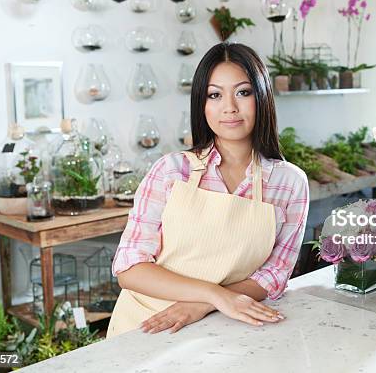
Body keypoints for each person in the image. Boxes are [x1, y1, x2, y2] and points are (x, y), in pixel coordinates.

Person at [107, 42, 310, 337]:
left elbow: (275, 274)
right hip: (145, 327)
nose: (229, 107)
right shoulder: (171, 171)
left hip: (226, 329)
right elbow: (129, 267)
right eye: (214, 95)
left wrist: (202, 305)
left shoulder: (289, 183)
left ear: (262, 96)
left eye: (243, 92)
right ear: (201, 105)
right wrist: (214, 295)